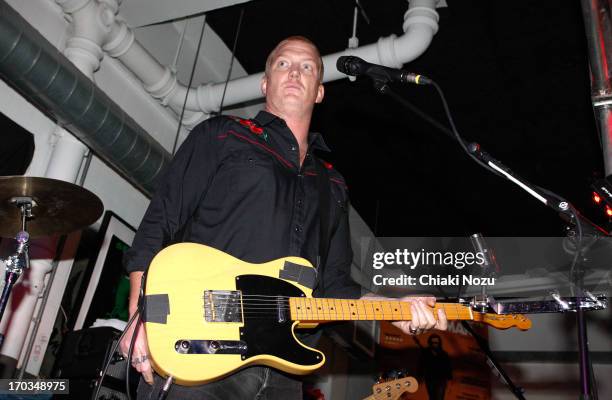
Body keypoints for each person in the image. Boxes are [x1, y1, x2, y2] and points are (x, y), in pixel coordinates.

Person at [120, 36, 448, 399]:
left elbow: (335, 285)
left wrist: (390, 307)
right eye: (282, 64)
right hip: (203, 346)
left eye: (307, 66)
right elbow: (161, 220)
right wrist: (141, 317)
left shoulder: (332, 184)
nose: (294, 72)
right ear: (265, 83)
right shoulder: (222, 134)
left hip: (283, 370)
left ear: (319, 92)